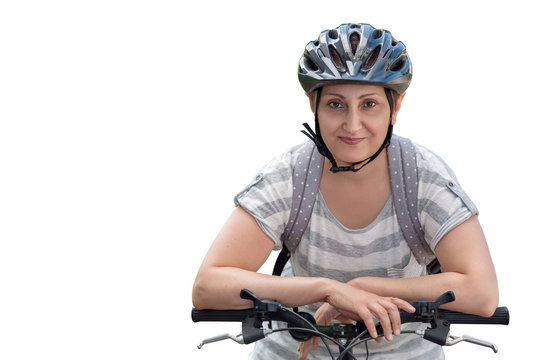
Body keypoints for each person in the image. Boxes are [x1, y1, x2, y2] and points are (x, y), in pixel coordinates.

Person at [192, 23, 499, 359]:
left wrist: (363, 288)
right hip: (295, 351)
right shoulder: (291, 175)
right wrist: (328, 290)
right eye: (336, 105)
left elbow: (481, 293)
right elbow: (208, 285)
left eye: (369, 105)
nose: (353, 125)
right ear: (313, 103)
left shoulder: (421, 176)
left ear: (395, 106)